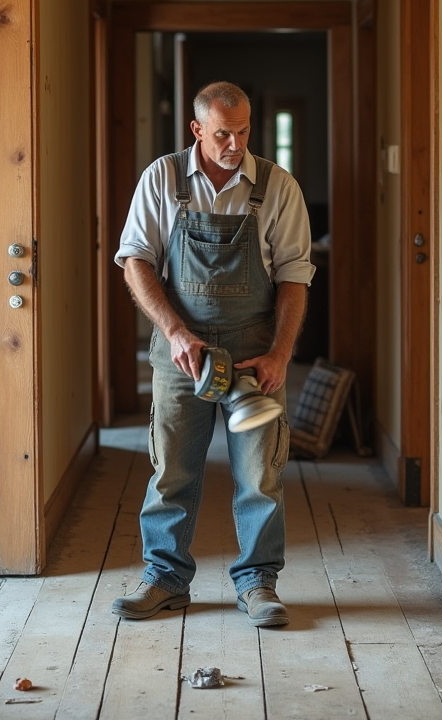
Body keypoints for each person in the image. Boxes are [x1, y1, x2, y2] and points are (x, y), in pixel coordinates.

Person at [112, 81, 315, 627]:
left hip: (255, 352)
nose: (235, 143)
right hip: (181, 350)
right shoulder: (163, 178)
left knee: (259, 473)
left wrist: (279, 355)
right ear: (198, 129)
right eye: (223, 133)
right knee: (172, 470)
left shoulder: (278, 187)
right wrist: (176, 332)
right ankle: (165, 579)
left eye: (244, 130)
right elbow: (135, 261)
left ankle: (258, 584)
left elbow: (295, 278)